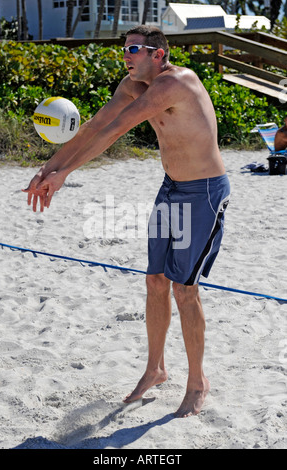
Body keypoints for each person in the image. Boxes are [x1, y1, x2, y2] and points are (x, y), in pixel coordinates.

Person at [23, 25, 230, 417]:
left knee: (185, 291)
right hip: (172, 188)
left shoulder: (176, 83)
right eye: (124, 50)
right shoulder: (133, 85)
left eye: (134, 49)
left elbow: (118, 129)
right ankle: (155, 369)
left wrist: (65, 175)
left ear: (158, 53)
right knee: (155, 281)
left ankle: (198, 381)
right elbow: (97, 124)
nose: (126, 56)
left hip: (203, 193)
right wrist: (49, 168)